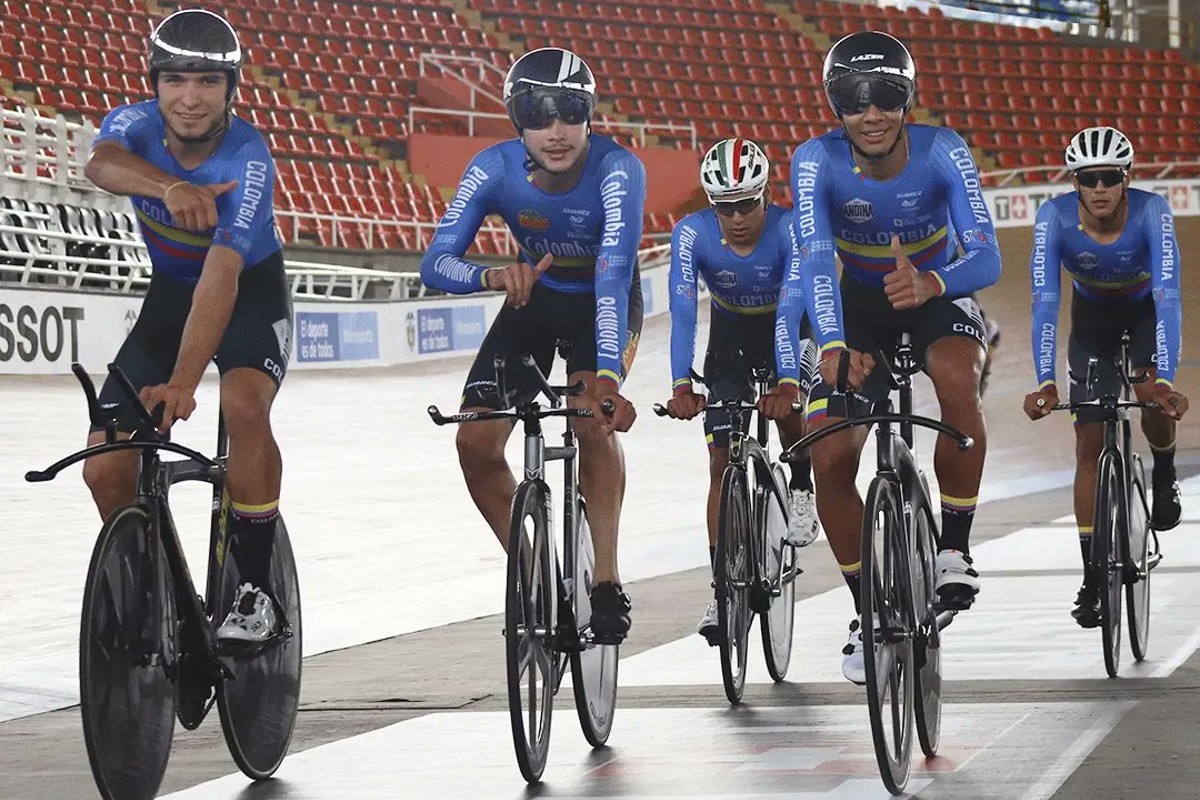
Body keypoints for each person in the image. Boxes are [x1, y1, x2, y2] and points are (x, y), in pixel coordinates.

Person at [759, 31, 1001, 684]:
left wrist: (933, 283)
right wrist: (834, 344)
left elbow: (988, 255)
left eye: (887, 97)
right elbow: (813, 258)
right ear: (835, 106)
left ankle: (953, 546)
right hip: (855, 309)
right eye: (853, 99)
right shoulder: (815, 160)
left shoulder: (943, 151)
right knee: (831, 452)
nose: (871, 113)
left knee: (955, 376)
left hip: (932, 296)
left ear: (909, 100)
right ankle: (869, 612)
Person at [419, 47, 645, 644]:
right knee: (475, 441)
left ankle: (607, 582)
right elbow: (435, 263)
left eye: (570, 112)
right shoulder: (492, 169)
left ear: (589, 115)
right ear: (517, 121)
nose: (557, 130)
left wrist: (606, 385)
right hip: (534, 301)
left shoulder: (618, 170)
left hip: (606, 297)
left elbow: (614, 274)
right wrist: (492, 276)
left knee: (587, 418)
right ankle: (537, 572)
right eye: (538, 115)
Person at [81, 9, 292, 645]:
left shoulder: (248, 158)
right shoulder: (134, 124)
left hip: (247, 290)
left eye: (206, 83)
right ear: (156, 84)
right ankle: (151, 584)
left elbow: (221, 279)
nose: (189, 98)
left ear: (232, 90)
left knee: (244, 403)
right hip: (172, 293)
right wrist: (170, 185)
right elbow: (100, 164)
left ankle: (257, 592)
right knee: (103, 465)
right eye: (174, 81)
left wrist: (182, 381)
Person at [1022, 126, 1186, 628]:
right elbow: (1046, 301)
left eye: (1109, 178)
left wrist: (1165, 379)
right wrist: (1045, 381)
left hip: (1143, 316)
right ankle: (1093, 576)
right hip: (1090, 321)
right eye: (1087, 178)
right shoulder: (1052, 218)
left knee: (1147, 393)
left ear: (1126, 178)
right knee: (1087, 444)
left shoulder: (1152, 210)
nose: (1098, 189)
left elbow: (1168, 295)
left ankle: (1162, 470)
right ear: (1074, 182)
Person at [665, 137, 818, 644]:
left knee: (787, 410)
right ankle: (720, 587)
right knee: (718, 463)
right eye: (724, 207)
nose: (735, 218)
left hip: (788, 329)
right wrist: (681, 382)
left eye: (746, 204)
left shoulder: (791, 228)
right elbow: (684, 311)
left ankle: (800, 484)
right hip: (728, 341)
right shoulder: (691, 234)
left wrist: (789, 381)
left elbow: (794, 304)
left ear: (766, 194)